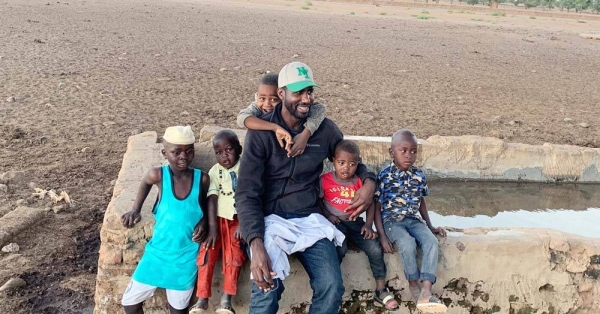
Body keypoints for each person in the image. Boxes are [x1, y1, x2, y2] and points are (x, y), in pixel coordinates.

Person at [236, 61, 377, 314]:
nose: (306, 98)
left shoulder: (324, 130)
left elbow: (354, 161)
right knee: (266, 287)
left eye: (309, 91)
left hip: (309, 218)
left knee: (331, 286)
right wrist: (255, 244)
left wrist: (369, 183)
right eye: (298, 92)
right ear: (282, 94)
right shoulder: (260, 133)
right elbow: (247, 193)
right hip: (270, 219)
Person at [120, 125, 209, 314]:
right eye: (176, 152)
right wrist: (135, 209)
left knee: (178, 310)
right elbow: (145, 183)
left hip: (185, 256)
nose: (183, 156)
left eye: (188, 151)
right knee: (129, 303)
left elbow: (209, 204)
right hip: (157, 254)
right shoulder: (159, 175)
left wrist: (205, 221)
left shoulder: (201, 179)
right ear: (164, 153)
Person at [319, 140, 400, 311]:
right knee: (339, 248)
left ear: (358, 163)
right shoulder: (324, 180)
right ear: (333, 161)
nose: (346, 168)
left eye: (352, 164)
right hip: (336, 224)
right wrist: (329, 215)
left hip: (356, 223)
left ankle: (381, 289)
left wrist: (369, 226)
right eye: (341, 163)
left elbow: (370, 204)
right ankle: (333, 289)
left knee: (374, 248)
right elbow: (318, 202)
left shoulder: (360, 183)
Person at [374, 129, 448, 314]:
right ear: (392, 152)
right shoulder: (384, 175)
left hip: (413, 219)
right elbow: (376, 205)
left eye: (413, 151)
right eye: (403, 151)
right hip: (392, 221)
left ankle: (426, 289)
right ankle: (413, 283)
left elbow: (421, 200)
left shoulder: (419, 175)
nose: (409, 155)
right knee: (407, 243)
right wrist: (382, 235)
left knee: (430, 241)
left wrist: (430, 225)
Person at [189, 130, 247, 314]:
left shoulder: (247, 168)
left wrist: (245, 223)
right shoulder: (215, 171)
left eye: (229, 150)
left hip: (237, 221)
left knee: (234, 256)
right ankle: (202, 299)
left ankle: (226, 300)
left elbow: (253, 197)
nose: (224, 155)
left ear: (239, 149)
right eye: (219, 152)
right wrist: (212, 228)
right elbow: (212, 199)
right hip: (217, 220)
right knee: (206, 254)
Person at [237, 73, 326, 158]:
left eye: (274, 99)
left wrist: (305, 135)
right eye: (262, 98)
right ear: (257, 96)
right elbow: (242, 118)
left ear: (283, 96)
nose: (267, 104)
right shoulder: (256, 107)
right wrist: (275, 128)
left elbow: (320, 109)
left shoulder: (296, 108)